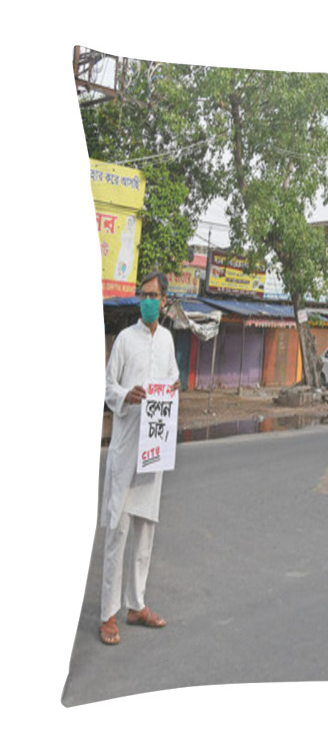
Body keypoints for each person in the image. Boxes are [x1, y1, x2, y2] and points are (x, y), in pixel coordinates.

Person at [98, 271, 180, 646]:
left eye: (153, 295)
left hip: (153, 450)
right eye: (142, 294)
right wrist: (123, 396)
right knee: (118, 529)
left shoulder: (166, 341)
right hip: (126, 445)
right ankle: (107, 614)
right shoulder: (125, 342)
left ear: (163, 301)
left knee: (146, 529)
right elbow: (106, 385)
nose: (147, 300)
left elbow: (173, 380)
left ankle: (137, 604)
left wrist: (175, 388)